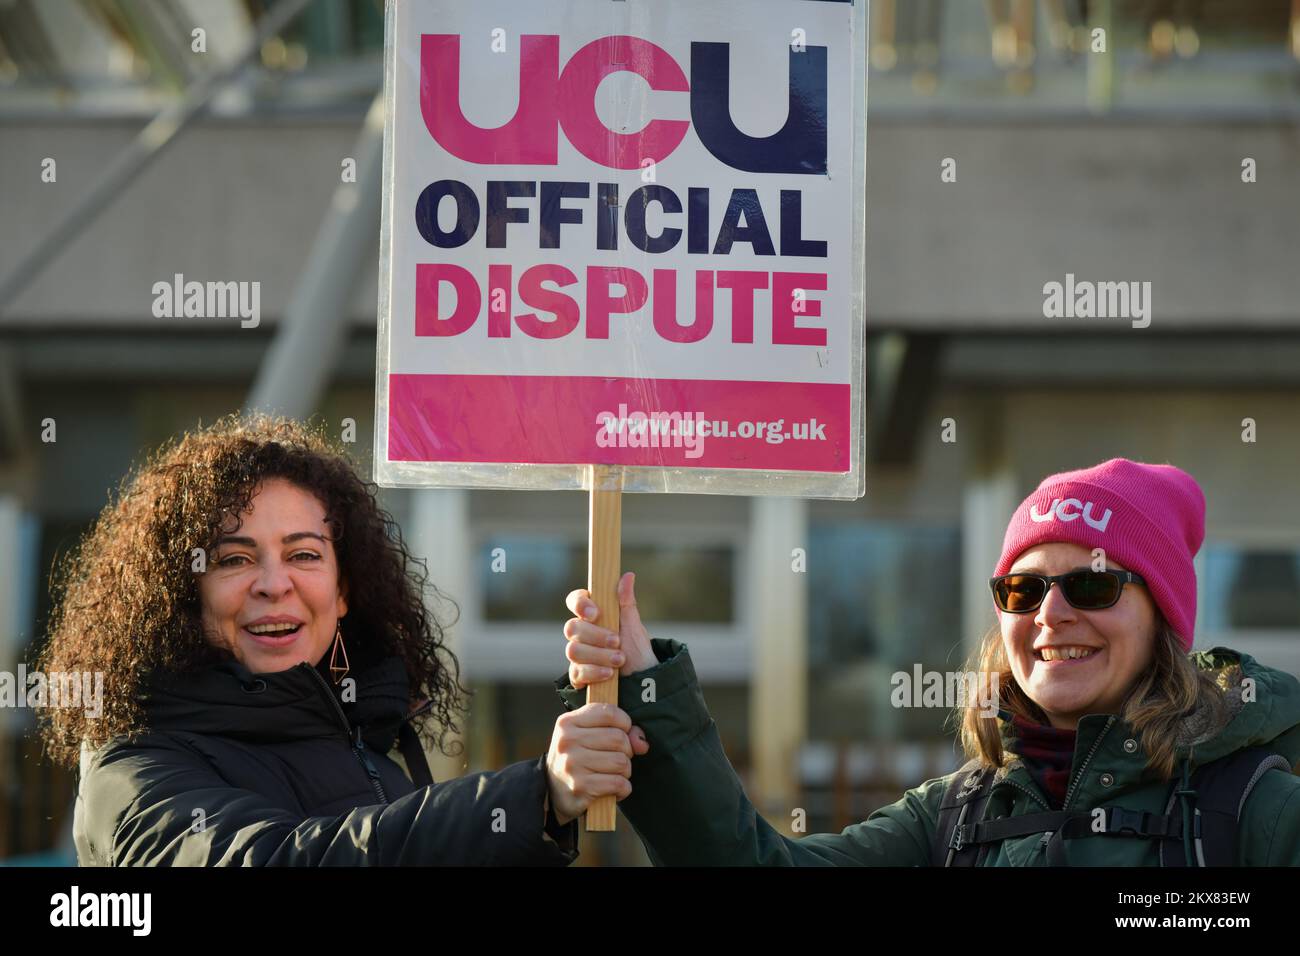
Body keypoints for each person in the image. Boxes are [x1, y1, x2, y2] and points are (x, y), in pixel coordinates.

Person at [555, 458, 1300, 865]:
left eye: (1093, 584)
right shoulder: (955, 817)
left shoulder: (1251, 813)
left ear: (1164, 618)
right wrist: (644, 681)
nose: (1051, 613)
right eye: (1023, 588)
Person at [38, 414, 639, 866]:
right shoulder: (135, 764)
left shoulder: (378, 757)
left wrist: (640, 688)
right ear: (180, 594)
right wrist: (537, 793)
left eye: (303, 554)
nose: (275, 585)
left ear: (344, 589)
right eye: (233, 560)